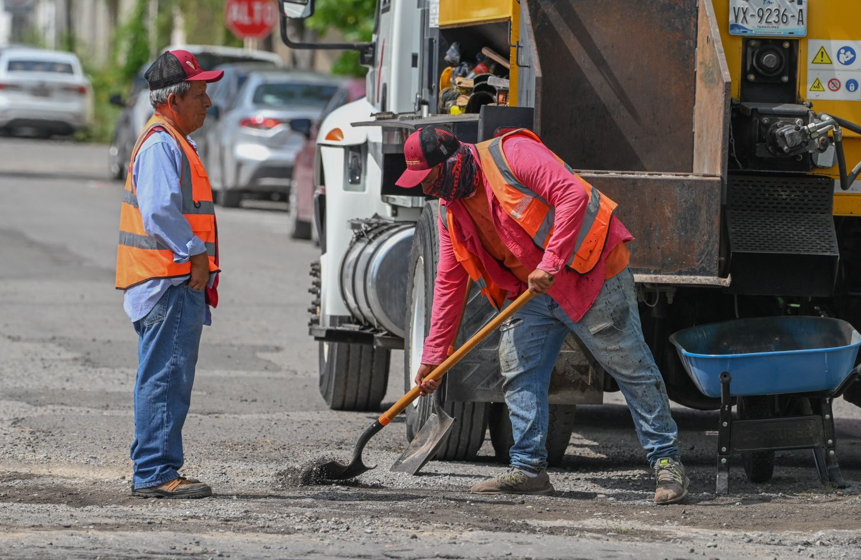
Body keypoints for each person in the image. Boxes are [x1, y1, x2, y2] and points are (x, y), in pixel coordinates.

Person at [397, 125, 688, 504]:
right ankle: (529, 469)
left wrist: (551, 262)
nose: (427, 190)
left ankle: (667, 462)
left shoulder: (512, 154)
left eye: (431, 179)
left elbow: (572, 195)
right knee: (518, 368)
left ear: (453, 161)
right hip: (532, 292)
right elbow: (449, 284)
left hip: (590, 273)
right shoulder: (450, 213)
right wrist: (434, 355)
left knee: (630, 367)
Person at [115, 50, 223, 499]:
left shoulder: (167, 138)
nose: (208, 103)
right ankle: (157, 473)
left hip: (163, 282)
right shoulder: (163, 143)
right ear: (173, 99)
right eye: (200, 94)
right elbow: (160, 210)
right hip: (169, 282)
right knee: (165, 377)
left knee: (162, 375)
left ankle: (154, 465)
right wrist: (195, 254)